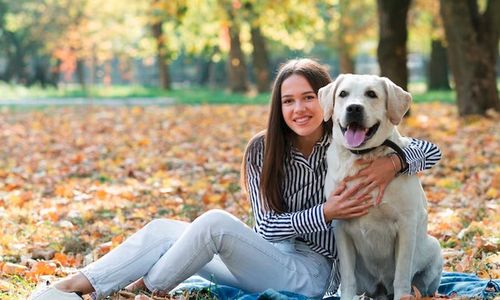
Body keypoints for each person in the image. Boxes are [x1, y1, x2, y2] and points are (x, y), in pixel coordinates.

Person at [30, 58, 441, 300]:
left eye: (307, 98)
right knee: (163, 229)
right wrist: (326, 211)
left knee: (210, 224)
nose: (299, 109)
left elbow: (430, 151)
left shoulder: (348, 146)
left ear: (327, 102)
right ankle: (69, 288)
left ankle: (146, 286)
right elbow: (265, 226)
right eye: (288, 100)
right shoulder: (263, 149)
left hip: (317, 275)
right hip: (270, 253)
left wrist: (397, 162)